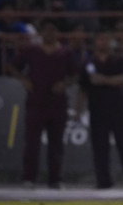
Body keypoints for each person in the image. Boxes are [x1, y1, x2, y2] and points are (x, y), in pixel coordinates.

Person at [8, 20, 78, 188]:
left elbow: (76, 74)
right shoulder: (32, 51)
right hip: (36, 102)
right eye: (46, 30)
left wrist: (65, 84)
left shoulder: (65, 52)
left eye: (53, 30)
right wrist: (23, 80)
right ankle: (29, 177)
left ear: (58, 33)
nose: (49, 33)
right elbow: (12, 66)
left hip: (57, 103)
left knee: (56, 143)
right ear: (41, 33)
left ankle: (55, 179)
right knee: (32, 142)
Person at [76, 31, 123, 189]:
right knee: (100, 147)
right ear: (95, 42)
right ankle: (103, 181)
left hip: (118, 109)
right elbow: (82, 89)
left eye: (106, 39)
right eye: (100, 39)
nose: (103, 42)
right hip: (97, 109)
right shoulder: (88, 63)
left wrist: (103, 80)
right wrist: (78, 110)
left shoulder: (118, 60)